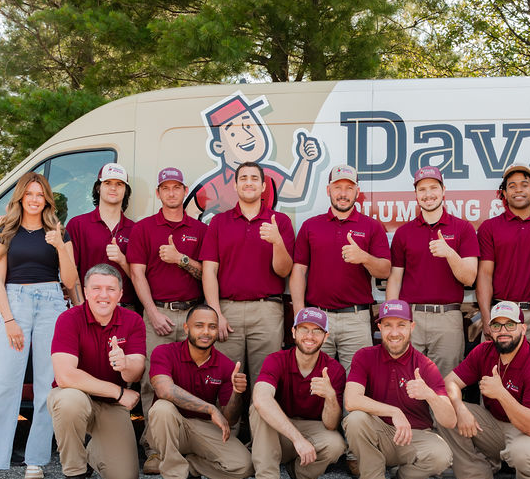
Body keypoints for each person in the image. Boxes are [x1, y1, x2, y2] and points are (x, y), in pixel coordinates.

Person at [0, 172, 78, 479]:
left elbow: (69, 281)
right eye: (29, 193)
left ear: (47, 199)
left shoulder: (58, 231)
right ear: (20, 197)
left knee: (47, 384)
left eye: (40, 194)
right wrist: (10, 320)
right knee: (3, 384)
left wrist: (59, 247)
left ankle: (36, 460)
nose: (34, 199)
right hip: (15, 302)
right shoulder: (6, 231)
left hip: (52, 303)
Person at [440, 301, 530, 479]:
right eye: (497, 326)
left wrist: (501, 393)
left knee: (522, 452)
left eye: (510, 324)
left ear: (523, 329)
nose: (503, 331)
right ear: (490, 330)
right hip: (499, 425)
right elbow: (449, 382)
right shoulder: (484, 352)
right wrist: (460, 408)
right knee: (446, 410)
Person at [128, 167, 208, 474]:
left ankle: (190, 448)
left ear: (184, 191)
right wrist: (152, 312)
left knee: (192, 382)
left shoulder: (199, 230)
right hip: (157, 313)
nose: (171, 193)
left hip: (192, 315)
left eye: (177, 187)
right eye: (166, 188)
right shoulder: (144, 229)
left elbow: (206, 273)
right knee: (152, 383)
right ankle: (154, 449)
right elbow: (137, 273)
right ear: (159, 193)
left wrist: (182, 260)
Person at [342, 301, 456, 479]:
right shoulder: (364, 356)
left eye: (401, 325)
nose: (394, 332)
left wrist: (429, 394)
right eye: (388, 325)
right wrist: (394, 411)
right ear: (379, 328)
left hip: (413, 437)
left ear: (412, 327)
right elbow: (351, 400)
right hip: (379, 434)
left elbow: (449, 420)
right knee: (355, 419)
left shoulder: (425, 365)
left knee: (442, 455)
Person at [47, 264, 146, 479]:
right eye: (97, 288)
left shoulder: (133, 321)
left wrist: (124, 365)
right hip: (78, 397)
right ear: (87, 292)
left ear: (120, 294)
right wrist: (118, 392)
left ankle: (90, 453)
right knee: (70, 400)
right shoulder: (69, 319)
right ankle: (74, 474)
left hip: (110, 406)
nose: (104, 295)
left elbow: (135, 372)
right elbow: (65, 376)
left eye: (111, 289)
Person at [201, 161, 295, 406]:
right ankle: (226, 438)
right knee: (226, 382)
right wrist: (215, 313)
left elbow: (284, 270)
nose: (249, 182)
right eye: (243, 178)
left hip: (267, 311)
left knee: (265, 381)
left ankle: (261, 440)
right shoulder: (220, 222)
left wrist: (277, 242)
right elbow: (209, 270)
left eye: (254, 178)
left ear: (264, 186)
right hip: (227, 311)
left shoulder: (280, 221)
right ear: (235, 185)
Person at [147, 304, 252, 479]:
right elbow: (164, 390)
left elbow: (229, 420)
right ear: (186, 328)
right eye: (199, 326)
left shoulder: (226, 365)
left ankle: (190, 468)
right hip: (168, 427)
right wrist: (210, 408)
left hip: (201, 430)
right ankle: (173, 478)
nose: (206, 332)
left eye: (212, 327)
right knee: (162, 407)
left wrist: (237, 394)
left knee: (243, 466)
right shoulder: (164, 352)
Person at [290, 164, 390, 370]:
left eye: (349, 188)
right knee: (315, 381)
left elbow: (385, 270)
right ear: (328, 190)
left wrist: (364, 257)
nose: (343, 194)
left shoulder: (371, 226)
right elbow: (299, 270)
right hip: (316, 318)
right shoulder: (311, 225)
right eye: (337, 187)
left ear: (357, 192)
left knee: (356, 383)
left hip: (356, 319)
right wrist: (300, 312)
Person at [249, 308, 348, 479]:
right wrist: (298, 440)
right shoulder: (276, 359)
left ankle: (302, 477)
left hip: (312, 428)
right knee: (258, 410)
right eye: (304, 329)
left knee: (336, 443)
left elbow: (330, 425)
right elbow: (260, 398)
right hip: (278, 432)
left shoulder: (334, 369)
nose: (309, 336)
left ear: (326, 336)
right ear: (293, 332)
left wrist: (330, 396)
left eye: (317, 331)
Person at [386, 166, 478, 375]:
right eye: (422, 189)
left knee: (446, 386)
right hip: (411, 317)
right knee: (406, 382)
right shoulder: (403, 233)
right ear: (416, 195)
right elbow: (395, 280)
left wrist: (450, 254)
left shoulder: (463, 229)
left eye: (433, 188)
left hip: (448, 318)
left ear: (443, 190)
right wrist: (393, 318)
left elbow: (469, 277)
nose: (428, 195)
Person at [185, 93, 321, 219]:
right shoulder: (215, 185)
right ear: (218, 146)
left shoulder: (267, 174)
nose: (248, 136)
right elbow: (191, 211)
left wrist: (305, 160)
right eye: (234, 132)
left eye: (249, 126)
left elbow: (295, 191)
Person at [476, 164, 530, 344]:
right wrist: (486, 318)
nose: (518, 190)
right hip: (501, 314)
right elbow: (485, 275)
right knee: (495, 372)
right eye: (512, 185)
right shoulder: (490, 227)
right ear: (504, 193)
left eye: (524, 185)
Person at [65, 162, 136, 308]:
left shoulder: (135, 229)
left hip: (124, 308)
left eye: (119, 184)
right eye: (107, 183)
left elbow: (141, 278)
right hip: (89, 306)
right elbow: (71, 274)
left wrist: (122, 260)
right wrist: (80, 307)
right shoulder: (77, 224)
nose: (113, 188)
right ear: (98, 188)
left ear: (125, 191)